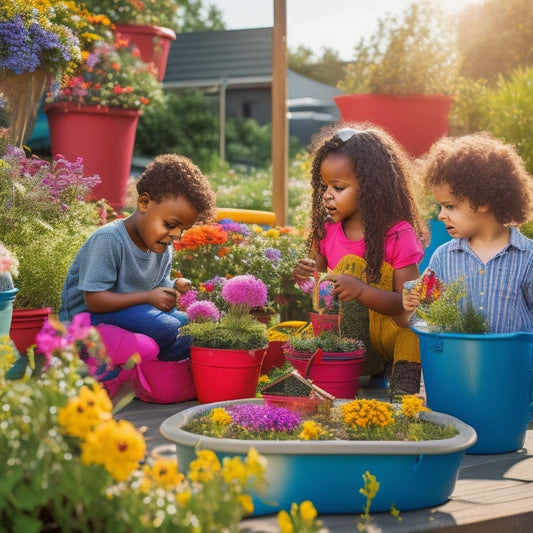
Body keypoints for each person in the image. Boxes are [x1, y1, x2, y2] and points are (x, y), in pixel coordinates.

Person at [294, 122, 428, 397]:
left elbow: (407, 308)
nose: (327, 195)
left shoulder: (397, 234)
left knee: (414, 330)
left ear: (370, 187)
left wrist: (363, 292)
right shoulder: (325, 230)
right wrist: (305, 278)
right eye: (324, 186)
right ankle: (334, 377)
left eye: (338, 187)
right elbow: (318, 293)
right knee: (297, 338)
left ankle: (403, 389)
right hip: (343, 340)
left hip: (388, 338)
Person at [59, 153, 217, 362]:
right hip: (86, 321)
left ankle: (150, 363)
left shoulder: (162, 245)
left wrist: (174, 286)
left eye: (182, 230)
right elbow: (95, 300)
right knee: (166, 328)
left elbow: (156, 288)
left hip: (131, 314)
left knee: (192, 326)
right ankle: (116, 360)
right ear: (144, 202)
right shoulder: (109, 239)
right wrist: (148, 297)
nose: (176, 235)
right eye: (170, 225)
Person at [402, 132, 533, 333]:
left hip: (512, 362)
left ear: (482, 202)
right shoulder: (443, 258)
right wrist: (413, 300)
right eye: (440, 207)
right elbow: (430, 314)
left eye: (450, 206)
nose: (441, 216)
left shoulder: (528, 257)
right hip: (459, 361)